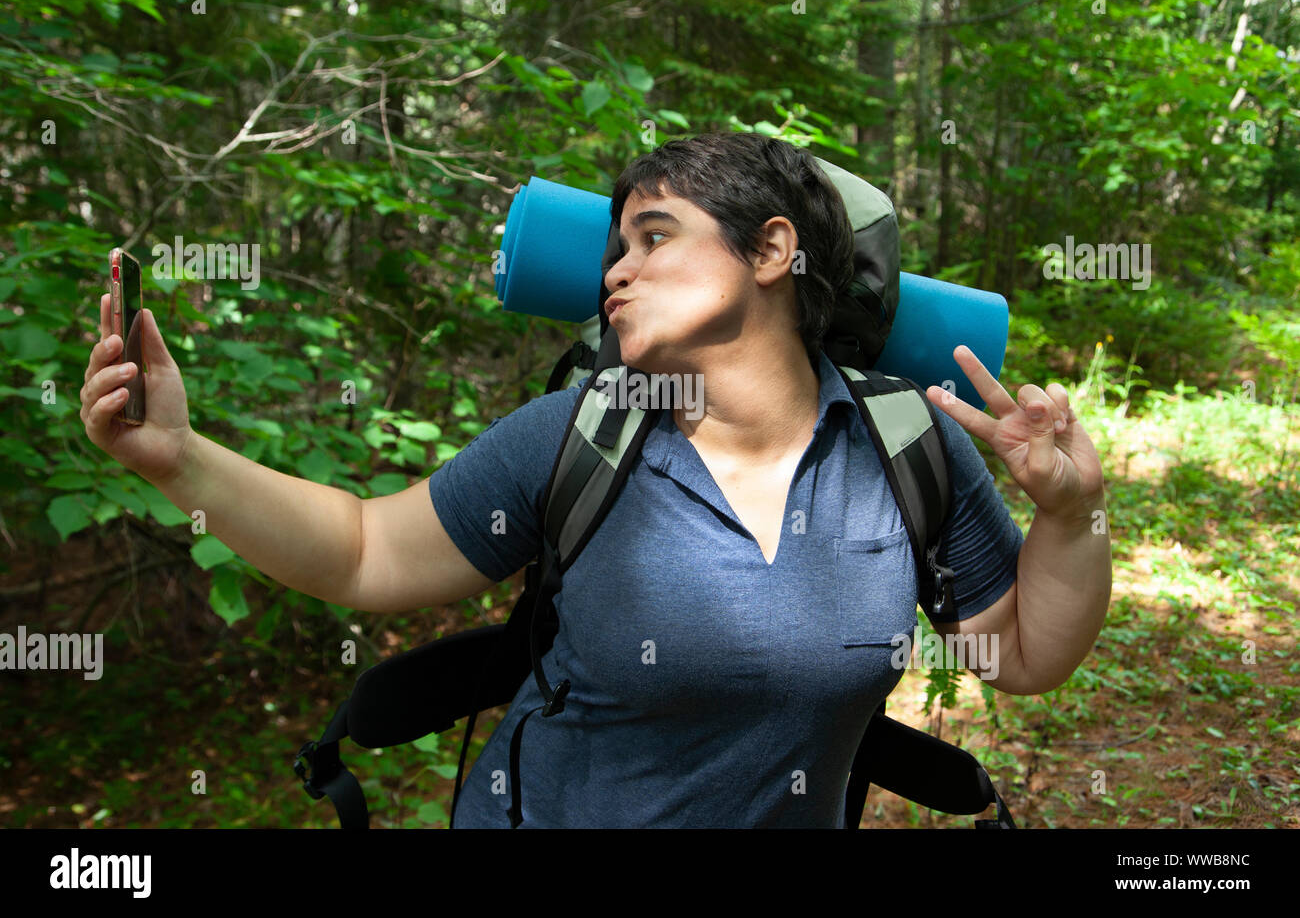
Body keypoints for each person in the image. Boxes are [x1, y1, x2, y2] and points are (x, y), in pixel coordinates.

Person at [80, 132, 1111, 828]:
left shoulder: (904, 445)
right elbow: (360, 548)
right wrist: (179, 457)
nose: (615, 269)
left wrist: (1071, 516)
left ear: (771, 250)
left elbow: (1021, 652)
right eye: (614, 245)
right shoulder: (586, 431)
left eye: (654, 236)